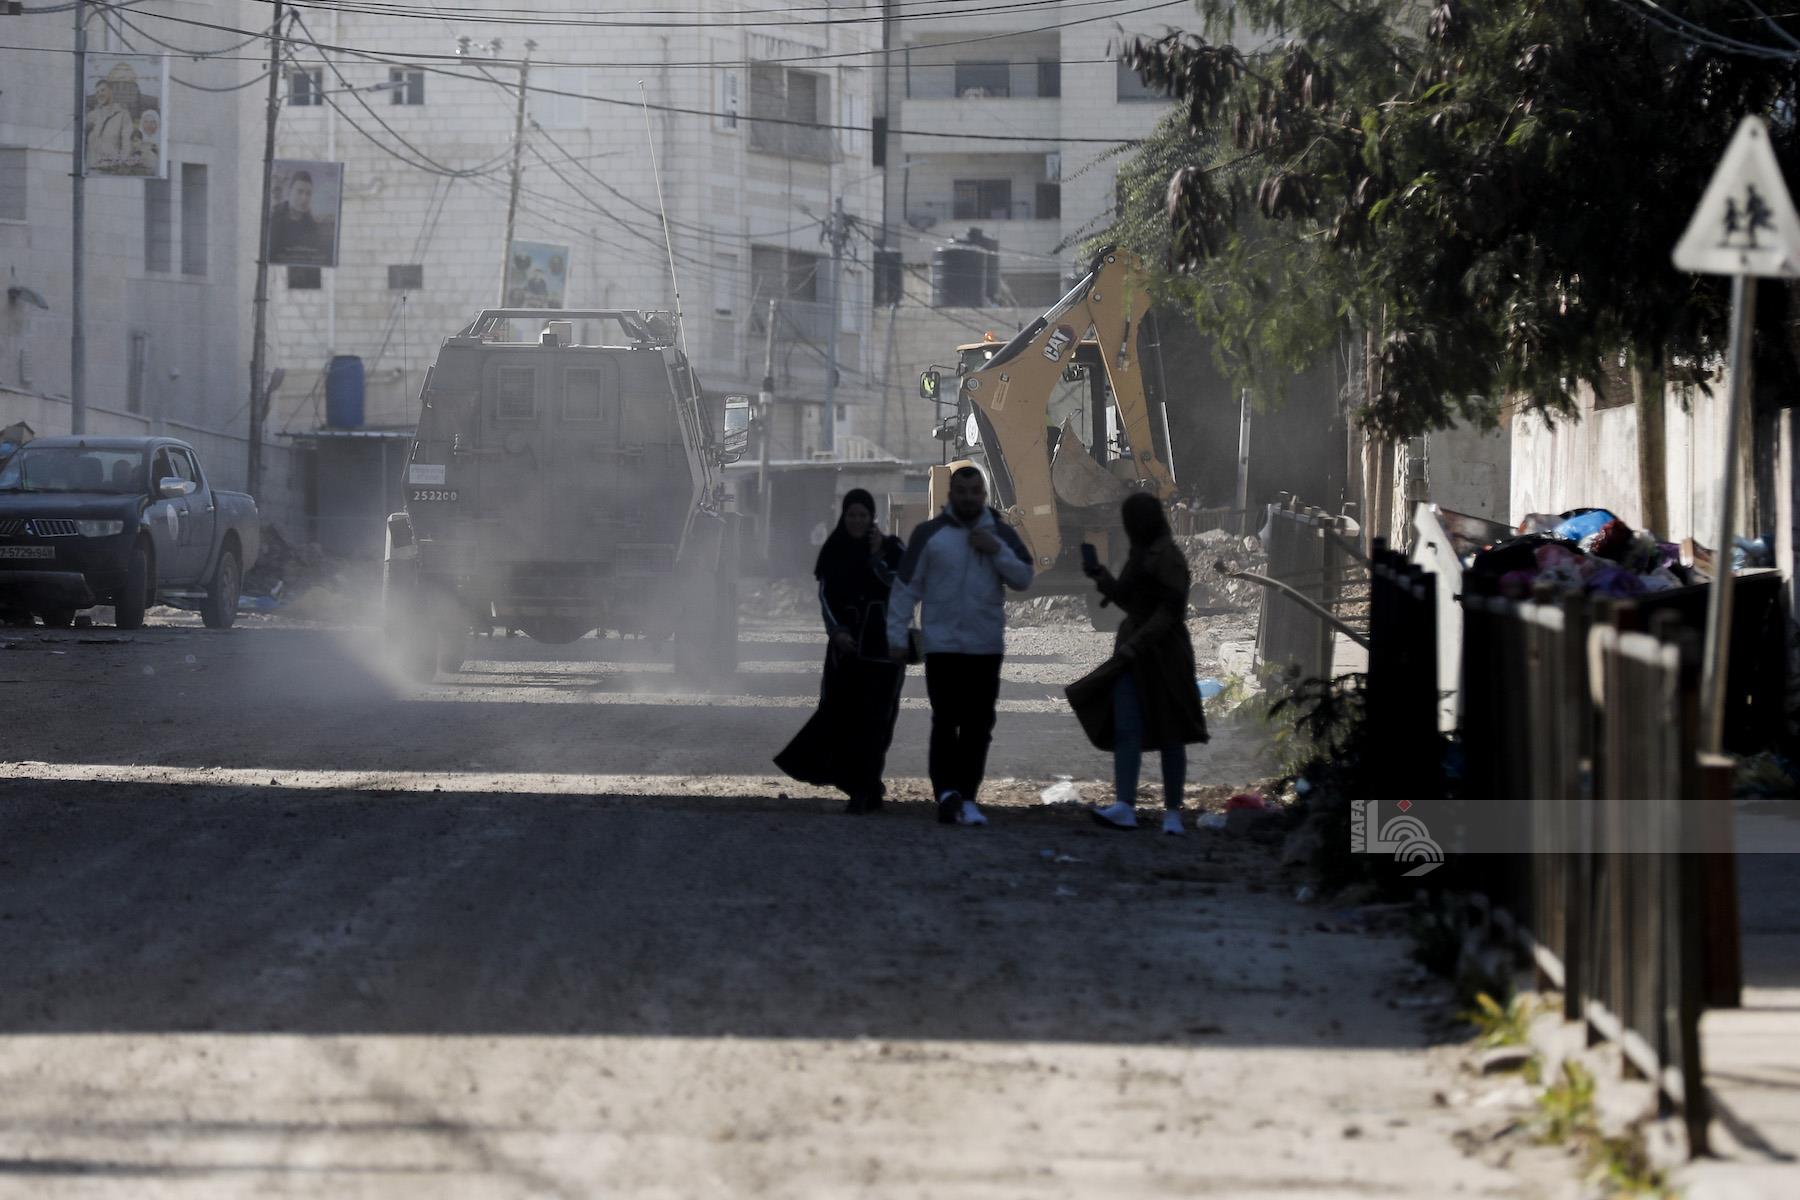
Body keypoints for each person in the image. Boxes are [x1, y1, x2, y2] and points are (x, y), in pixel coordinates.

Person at [886, 466, 1033, 826]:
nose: (968, 497)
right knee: (946, 720)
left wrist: (995, 549)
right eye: (962, 491)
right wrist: (895, 636)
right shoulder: (929, 534)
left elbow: (1024, 578)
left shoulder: (1000, 532)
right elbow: (906, 589)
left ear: (984, 495)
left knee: (979, 725)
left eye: (975, 491)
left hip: (985, 646)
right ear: (951, 494)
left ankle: (968, 797)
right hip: (943, 647)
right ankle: (946, 794)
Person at [1070, 493, 1209, 834]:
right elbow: (1130, 599)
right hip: (1135, 650)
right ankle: (1125, 804)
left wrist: (1137, 645)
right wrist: (1103, 579)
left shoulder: (1168, 557)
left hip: (1163, 654)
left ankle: (1173, 812)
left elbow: (1169, 611)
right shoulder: (1142, 553)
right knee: (1128, 728)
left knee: (1170, 730)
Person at [775, 490, 907, 814]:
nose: (857, 521)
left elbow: (905, 588)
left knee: (878, 722)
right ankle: (859, 786)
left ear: (872, 517)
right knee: (843, 717)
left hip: (884, 651)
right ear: (844, 517)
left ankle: (867, 786)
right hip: (846, 652)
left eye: (863, 515)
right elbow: (827, 598)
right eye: (852, 515)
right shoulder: (833, 551)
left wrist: (877, 558)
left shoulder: (893, 549)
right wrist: (837, 632)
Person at [269, 171, 332, 264]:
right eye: (299, 192)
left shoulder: (312, 227)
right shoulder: (273, 219)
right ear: (289, 192)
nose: (304, 198)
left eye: (308, 193)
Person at [84, 75, 134, 172]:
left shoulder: (123, 115)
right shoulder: (91, 116)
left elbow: (127, 145)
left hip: (112, 170)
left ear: (111, 91)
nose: (99, 94)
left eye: (103, 90)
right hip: (91, 170)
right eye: (97, 92)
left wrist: (119, 166)